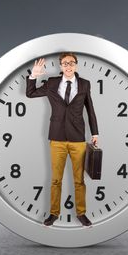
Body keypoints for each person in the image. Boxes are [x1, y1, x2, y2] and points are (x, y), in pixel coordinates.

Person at [26, 52, 99, 227]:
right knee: (55, 180)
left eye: (71, 63)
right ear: (60, 66)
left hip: (78, 138)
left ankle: (81, 213)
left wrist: (95, 133)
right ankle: (53, 214)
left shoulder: (84, 84)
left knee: (79, 180)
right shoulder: (51, 83)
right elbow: (30, 93)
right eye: (65, 63)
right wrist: (33, 76)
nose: (68, 66)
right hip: (57, 137)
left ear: (76, 65)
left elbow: (90, 110)